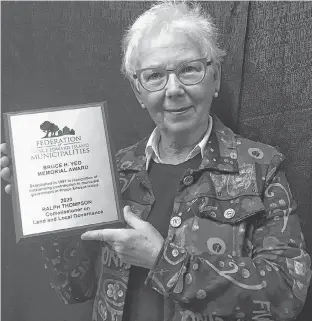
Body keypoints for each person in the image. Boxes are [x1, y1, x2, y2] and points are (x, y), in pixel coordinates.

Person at [1, 1, 311, 321]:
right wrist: (46, 207)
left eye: (189, 69)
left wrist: (162, 259)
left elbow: (287, 294)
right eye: (154, 75)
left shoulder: (261, 168)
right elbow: (76, 288)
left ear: (215, 78)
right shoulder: (111, 170)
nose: (173, 90)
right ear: (138, 91)